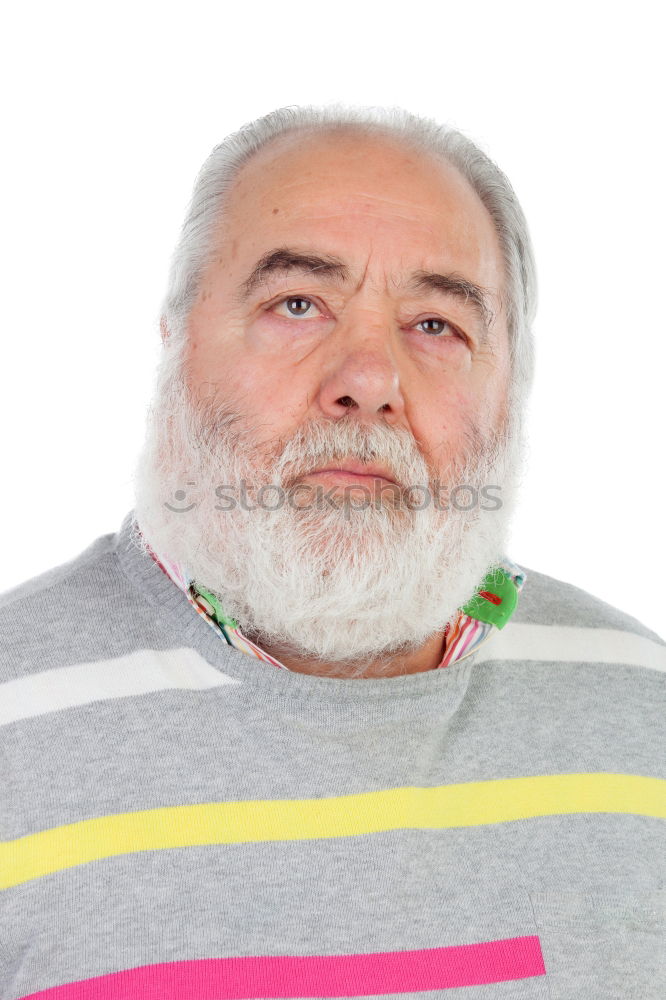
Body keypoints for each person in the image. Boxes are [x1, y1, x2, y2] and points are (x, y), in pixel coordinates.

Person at [0, 104, 663, 1000]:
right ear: (176, 345)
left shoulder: (644, 711)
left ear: (512, 387)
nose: (368, 381)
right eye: (298, 304)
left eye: (436, 324)